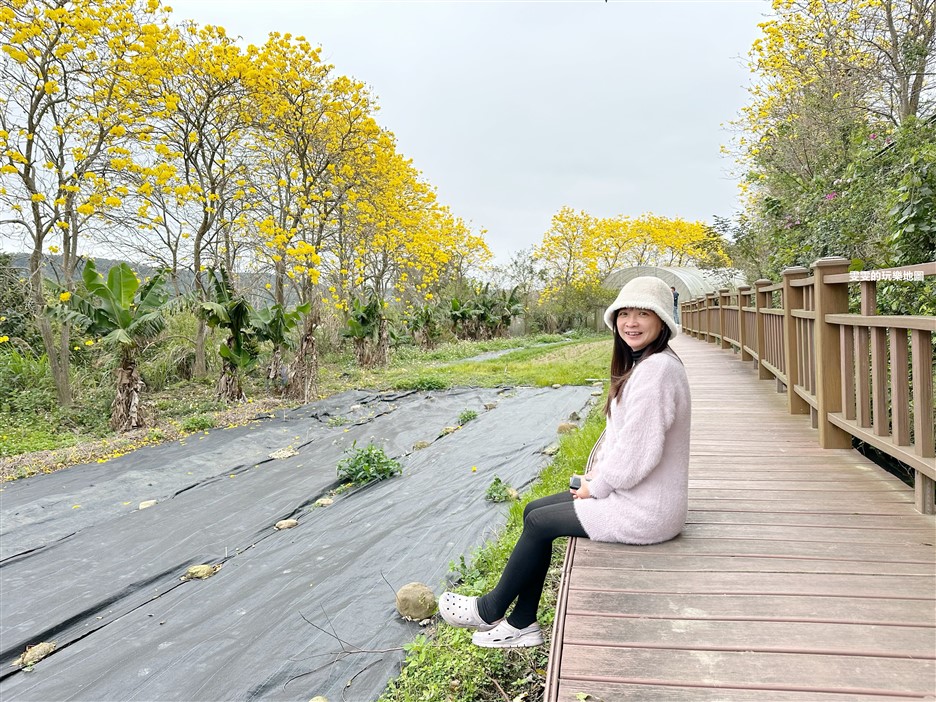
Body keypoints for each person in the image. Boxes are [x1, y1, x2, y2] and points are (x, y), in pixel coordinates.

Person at [438, 276, 691, 648]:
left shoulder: (656, 373)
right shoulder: (648, 363)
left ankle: (490, 610)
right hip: (642, 497)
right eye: (624, 313)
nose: (631, 322)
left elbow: (639, 455)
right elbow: (623, 438)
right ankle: (522, 622)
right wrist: (595, 475)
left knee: (540, 522)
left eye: (643, 313)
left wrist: (598, 486)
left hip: (647, 510)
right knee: (534, 510)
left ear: (662, 321)